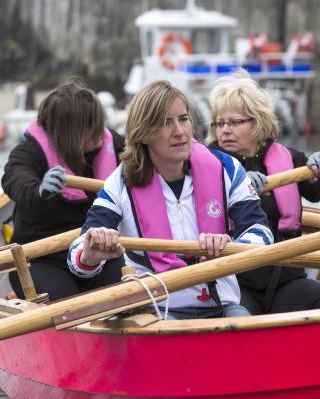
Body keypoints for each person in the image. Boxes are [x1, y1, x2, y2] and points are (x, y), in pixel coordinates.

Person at [67, 80, 274, 319]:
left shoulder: (226, 168)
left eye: (183, 119)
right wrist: (90, 253)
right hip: (157, 309)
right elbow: (77, 255)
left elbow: (261, 233)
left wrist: (230, 245)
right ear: (143, 133)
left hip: (221, 305)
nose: (180, 132)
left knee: (244, 327)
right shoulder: (120, 182)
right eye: (166, 122)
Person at [208, 70, 320, 315]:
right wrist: (238, 186)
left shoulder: (289, 159)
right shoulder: (205, 166)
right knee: (239, 317)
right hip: (234, 283)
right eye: (219, 123)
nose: (224, 130)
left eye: (235, 122)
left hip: (285, 276)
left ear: (258, 121)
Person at [1, 79, 125, 301]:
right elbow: (14, 179)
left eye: (99, 123)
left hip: (102, 252)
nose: (99, 131)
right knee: (65, 303)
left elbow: (149, 158)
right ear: (70, 133)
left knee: (127, 292)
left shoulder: (113, 143)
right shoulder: (31, 152)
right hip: (42, 258)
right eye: (90, 127)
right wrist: (39, 190)